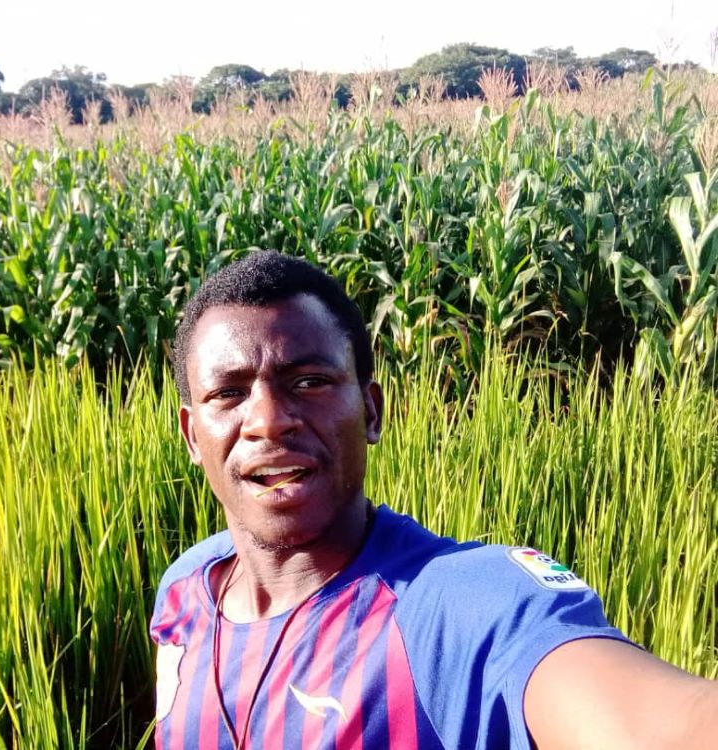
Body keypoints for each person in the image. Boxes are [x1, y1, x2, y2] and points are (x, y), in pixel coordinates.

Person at [149, 250, 717, 749]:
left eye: (310, 382)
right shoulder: (185, 592)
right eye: (228, 393)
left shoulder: (454, 607)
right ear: (193, 435)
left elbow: (662, 722)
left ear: (371, 411)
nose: (268, 422)